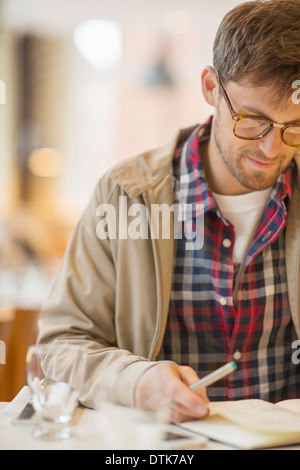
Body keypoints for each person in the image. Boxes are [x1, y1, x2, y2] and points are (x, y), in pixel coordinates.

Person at [38, 0, 300, 424]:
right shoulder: (124, 195)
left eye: (295, 125)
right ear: (211, 87)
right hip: (159, 445)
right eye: (252, 120)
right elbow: (62, 344)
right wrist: (135, 380)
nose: (273, 149)